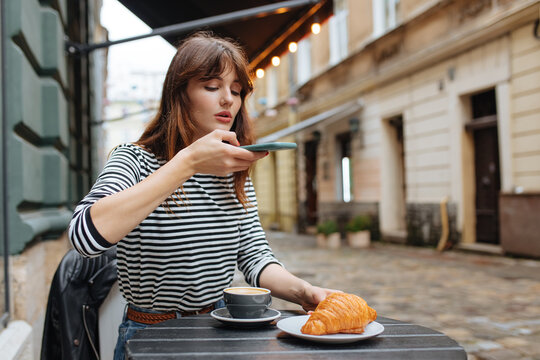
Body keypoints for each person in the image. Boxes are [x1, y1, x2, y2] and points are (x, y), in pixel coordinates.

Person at [68, 31, 336, 360]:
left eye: (236, 91)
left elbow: (254, 257)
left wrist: (304, 291)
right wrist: (190, 161)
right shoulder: (133, 160)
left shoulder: (233, 172)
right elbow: (83, 237)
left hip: (220, 329)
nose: (228, 100)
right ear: (180, 94)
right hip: (151, 335)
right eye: (212, 87)